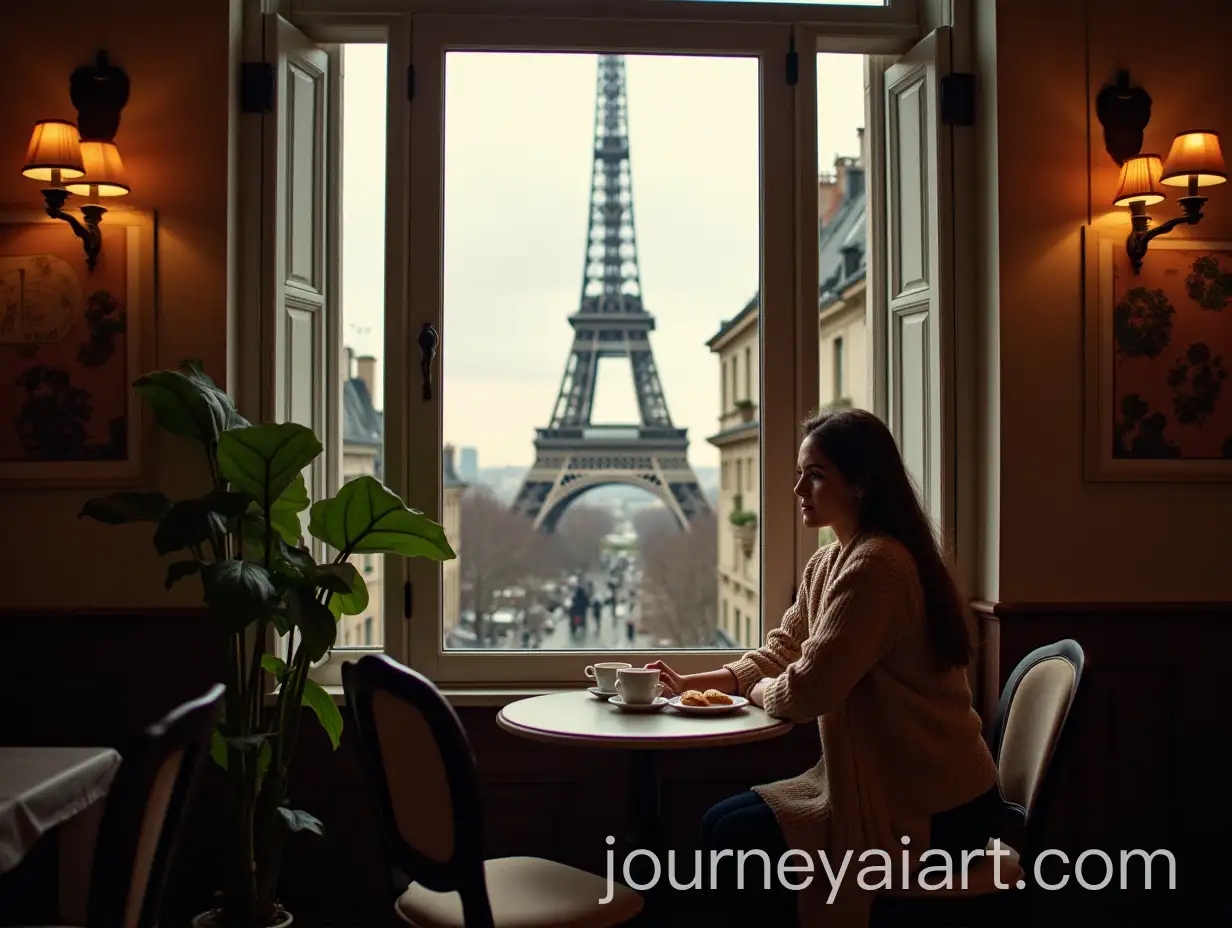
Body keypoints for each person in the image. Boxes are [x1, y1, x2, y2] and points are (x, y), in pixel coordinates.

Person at [647, 407, 1005, 927]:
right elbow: (781, 651)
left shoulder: (877, 565)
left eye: (815, 475)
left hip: (936, 804)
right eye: (798, 474)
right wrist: (694, 685)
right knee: (721, 826)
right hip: (878, 785)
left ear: (860, 484)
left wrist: (753, 693)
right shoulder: (831, 561)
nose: (798, 490)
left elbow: (806, 691)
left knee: (730, 837)